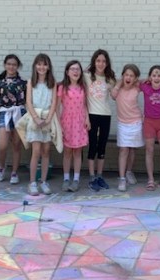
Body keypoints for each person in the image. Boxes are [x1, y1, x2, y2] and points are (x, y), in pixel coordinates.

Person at [0, 55, 26, 184]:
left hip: (19, 112)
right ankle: (1, 167)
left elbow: (27, 101)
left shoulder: (23, 83)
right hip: (4, 112)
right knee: (2, 145)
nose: (11, 67)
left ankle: (14, 172)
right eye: (9, 64)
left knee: (16, 144)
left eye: (14, 64)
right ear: (5, 65)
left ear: (17, 66)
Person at [24, 53, 58, 196]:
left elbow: (54, 102)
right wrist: (36, 118)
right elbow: (28, 102)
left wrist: (48, 118)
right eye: (39, 64)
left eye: (44, 64)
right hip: (35, 119)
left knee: (46, 151)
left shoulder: (53, 83)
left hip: (47, 119)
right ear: (35, 66)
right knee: (36, 151)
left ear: (48, 66)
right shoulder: (31, 82)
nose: (41, 67)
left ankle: (43, 181)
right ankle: (32, 182)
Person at [85, 49, 116, 191]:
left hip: (105, 115)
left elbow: (114, 96)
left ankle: (99, 176)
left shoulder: (110, 79)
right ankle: (92, 177)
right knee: (93, 145)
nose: (101, 64)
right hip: (92, 115)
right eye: (98, 61)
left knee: (102, 146)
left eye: (103, 61)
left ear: (107, 63)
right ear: (94, 62)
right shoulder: (87, 76)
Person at [58, 60, 90, 192]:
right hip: (67, 122)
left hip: (80, 122)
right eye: (72, 69)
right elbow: (57, 107)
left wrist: (87, 118)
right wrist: (58, 125)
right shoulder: (62, 87)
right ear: (67, 72)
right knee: (67, 152)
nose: (75, 71)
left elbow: (85, 105)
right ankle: (66, 179)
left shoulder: (83, 87)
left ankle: (76, 179)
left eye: (78, 69)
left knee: (77, 151)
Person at [111, 64, 144, 192]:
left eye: (131, 76)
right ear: (123, 76)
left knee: (132, 149)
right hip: (123, 124)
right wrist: (118, 84)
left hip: (136, 122)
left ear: (135, 78)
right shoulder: (118, 89)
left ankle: (129, 171)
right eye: (126, 75)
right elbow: (113, 96)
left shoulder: (137, 87)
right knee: (123, 150)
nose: (128, 77)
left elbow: (150, 81)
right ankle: (122, 178)